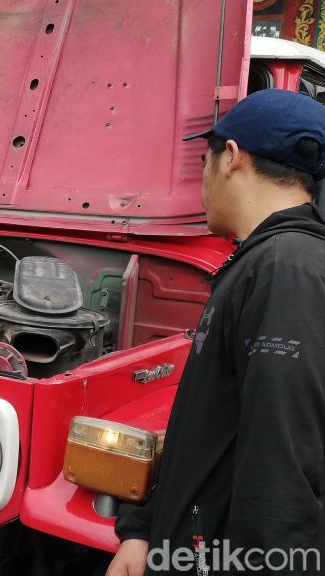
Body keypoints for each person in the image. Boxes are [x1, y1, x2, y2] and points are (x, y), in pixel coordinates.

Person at [108, 89, 325, 576]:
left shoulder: (286, 268)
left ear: (230, 157)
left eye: (205, 157)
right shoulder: (264, 260)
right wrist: (143, 529)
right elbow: (207, 425)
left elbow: (283, 461)